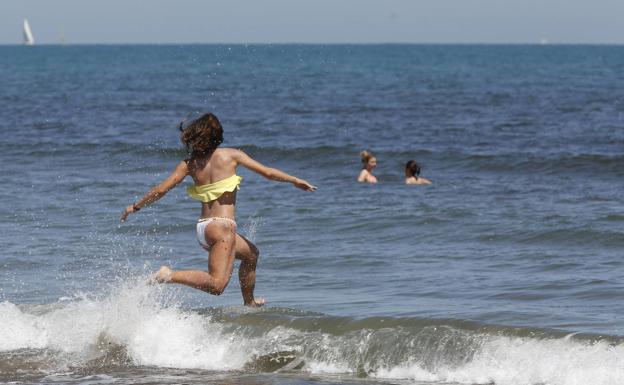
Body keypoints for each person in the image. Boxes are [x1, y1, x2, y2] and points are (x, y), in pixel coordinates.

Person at [120, 113, 316, 306]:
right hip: (222, 228)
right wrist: (294, 180)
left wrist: (135, 206)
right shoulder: (231, 155)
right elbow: (268, 173)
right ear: (218, 135)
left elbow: (161, 189)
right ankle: (169, 275)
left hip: (204, 228)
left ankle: (249, 303)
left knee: (251, 255)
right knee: (217, 285)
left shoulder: (189, 164)